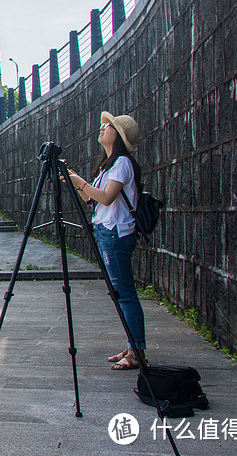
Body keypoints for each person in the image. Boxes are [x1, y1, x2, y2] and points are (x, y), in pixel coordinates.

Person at [66, 111, 146, 370]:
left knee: (126, 295)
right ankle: (133, 346)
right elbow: (93, 200)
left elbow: (107, 197)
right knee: (120, 293)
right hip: (107, 231)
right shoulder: (109, 164)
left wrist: (80, 182)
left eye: (108, 126)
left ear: (119, 135)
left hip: (116, 233)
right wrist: (78, 183)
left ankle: (137, 353)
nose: (102, 129)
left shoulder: (122, 162)